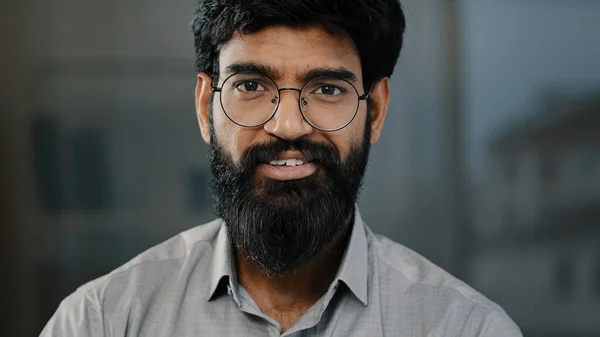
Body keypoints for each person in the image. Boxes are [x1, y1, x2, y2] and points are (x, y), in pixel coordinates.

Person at [41, 0, 522, 336]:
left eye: (327, 89)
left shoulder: (467, 328)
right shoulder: (102, 321)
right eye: (251, 85)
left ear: (374, 110)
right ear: (206, 105)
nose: (288, 125)